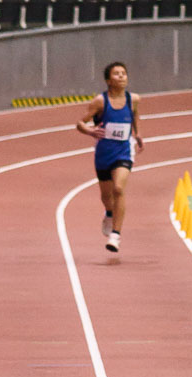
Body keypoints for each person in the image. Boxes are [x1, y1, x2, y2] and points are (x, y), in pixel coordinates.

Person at [76, 62, 144, 254]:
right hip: (104, 153)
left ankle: (116, 235)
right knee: (106, 197)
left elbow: (135, 115)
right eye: (116, 74)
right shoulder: (100, 101)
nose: (122, 76)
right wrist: (90, 131)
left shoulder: (134, 99)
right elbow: (80, 122)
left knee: (118, 188)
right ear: (108, 80)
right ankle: (108, 213)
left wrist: (137, 134)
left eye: (124, 73)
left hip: (124, 151)